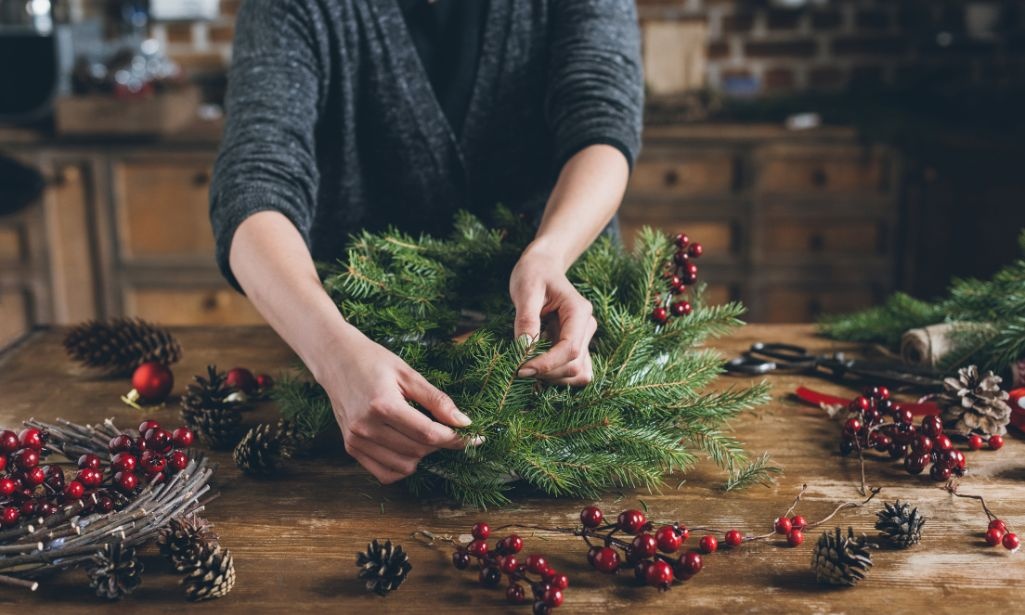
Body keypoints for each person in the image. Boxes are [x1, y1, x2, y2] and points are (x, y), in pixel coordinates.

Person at [210, 0, 643, 484]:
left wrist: (550, 252)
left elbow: (602, 119)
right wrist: (332, 352)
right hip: (360, 359)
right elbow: (254, 182)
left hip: (568, 355)